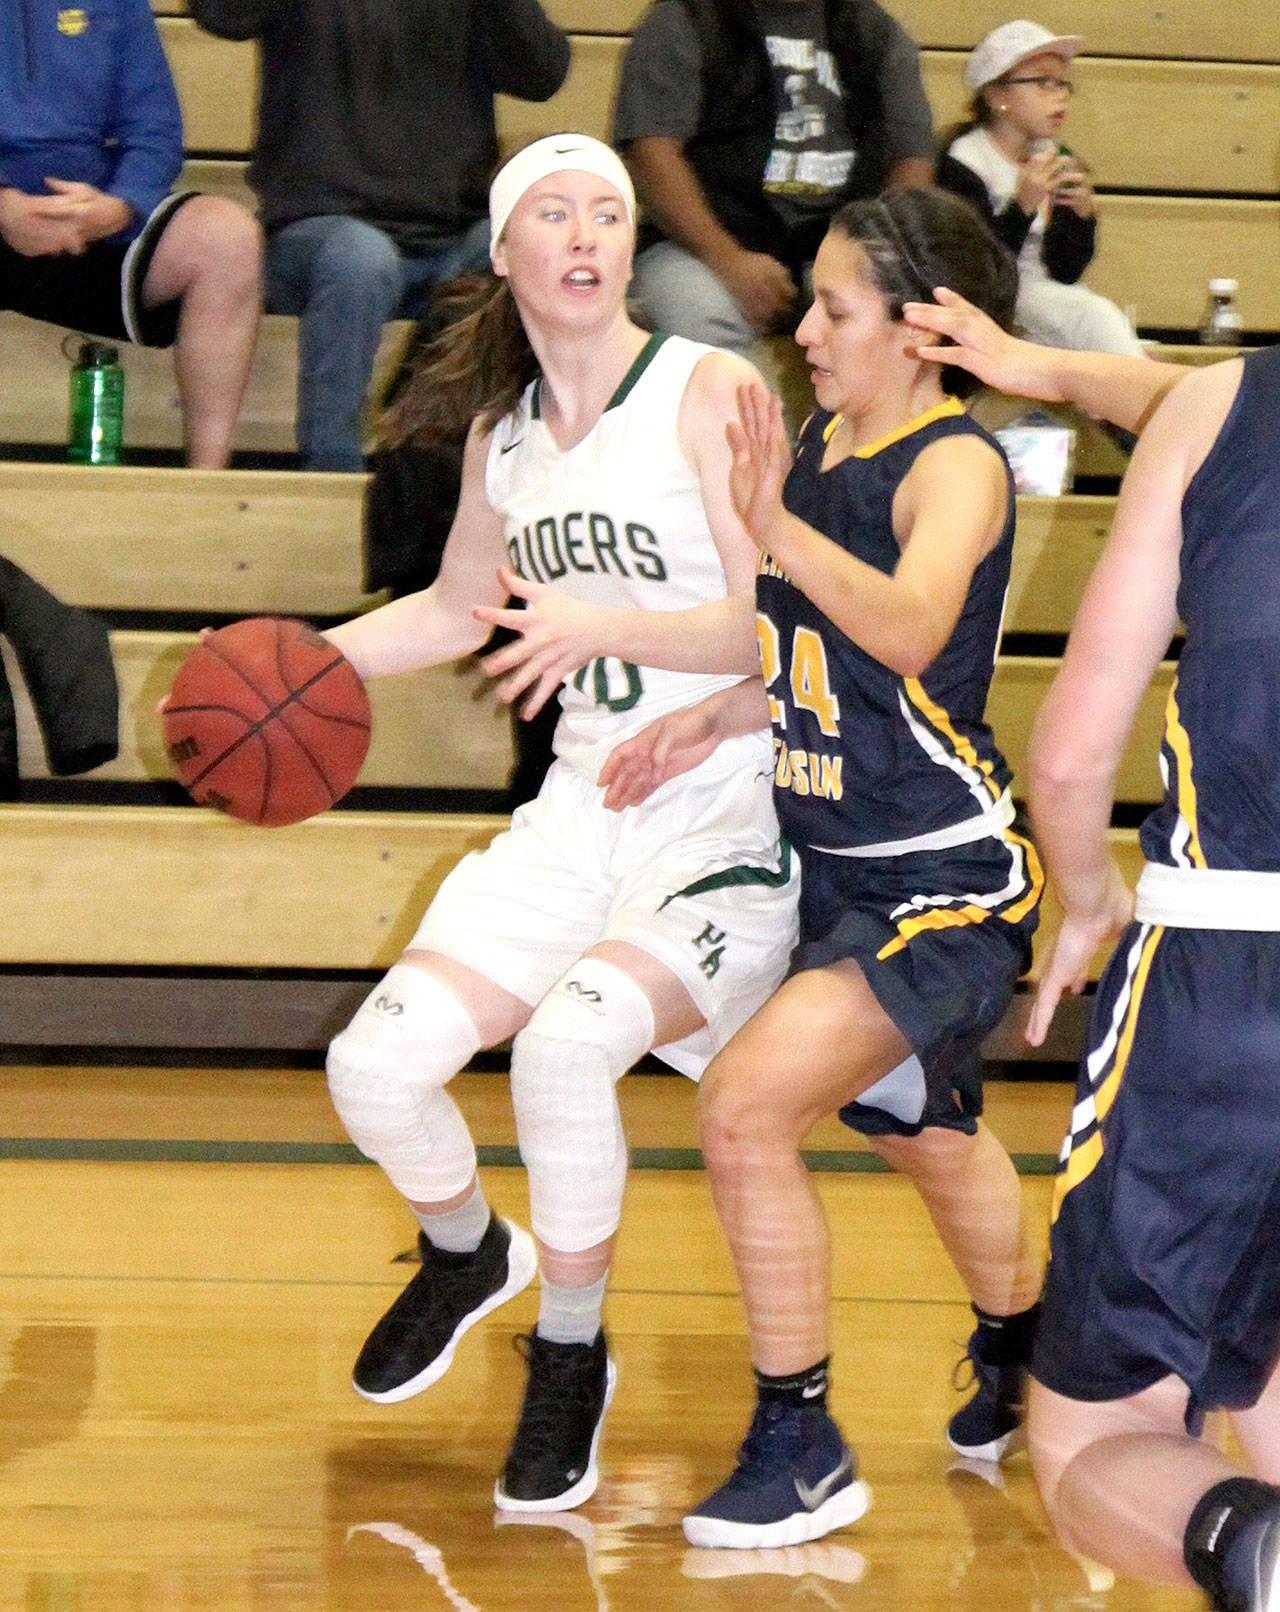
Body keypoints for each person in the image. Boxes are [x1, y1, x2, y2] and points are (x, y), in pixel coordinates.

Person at [320, 134, 800, 1513]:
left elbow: (794, 616)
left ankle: (572, 1352)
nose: (587, 232)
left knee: (570, 1045)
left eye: (609, 210)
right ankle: (470, 1252)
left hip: (721, 802)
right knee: (377, 1071)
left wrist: (604, 624)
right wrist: (309, 661)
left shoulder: (709, 388)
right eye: (556, 211)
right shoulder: (505, 433)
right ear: (505, 253)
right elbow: (464, 610)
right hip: (580, 803)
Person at [599, 185, 1045, 1550]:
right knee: (929, 1135)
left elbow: (907, 630)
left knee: (741, 1112)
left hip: (946, 880)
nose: (809, 329)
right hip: (838, 867)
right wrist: (722, 710)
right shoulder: (823, 434)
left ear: (918, 330)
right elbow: (809, 649)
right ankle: (1031, 1347)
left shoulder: (954, 460)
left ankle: (802, 1442)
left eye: (837, 308)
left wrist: (772, 524)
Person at [903, 293, 1280, 1612]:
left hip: (1231, 979)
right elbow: (1166, 395)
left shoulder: (1225, 408)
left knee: (1095, 1441)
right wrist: (1055, 371)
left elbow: (1068, 755)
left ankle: (1261, 1558)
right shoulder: (1201, 403)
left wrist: (1084, 895)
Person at [188, 0, 570, 472]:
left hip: (452, 236)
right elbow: (222, 15)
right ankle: (333, 478)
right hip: (318, 233)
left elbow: (542, 73)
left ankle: (459, 476)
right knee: (359, 259)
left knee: (520, 242)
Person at [1, 0, 261, 468]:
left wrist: (121, 207)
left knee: (229, 237)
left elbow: (155, 129)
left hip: (94, 214)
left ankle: (207, 489)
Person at [611, 0, 935, 357]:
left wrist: (870, 258)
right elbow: (650, 156)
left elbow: (911, 159)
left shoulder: (872, 30)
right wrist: (727, 259)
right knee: (702, 319)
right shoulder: (686, 18)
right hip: (699, 245)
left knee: (896, 313)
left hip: (841, 241)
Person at [935, 20, 1145, 360]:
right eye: (1043, 83)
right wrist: (1022, 206)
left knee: (1097, 319)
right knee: (1093, 316)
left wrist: (1081, 217)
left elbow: (1066, 270)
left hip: (1044, 295)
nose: (1059, 96)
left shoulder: (1056, 157)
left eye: (1064, 85)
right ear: (997, 95)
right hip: (990, 300)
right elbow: (975, 271)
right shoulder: (965, 161)